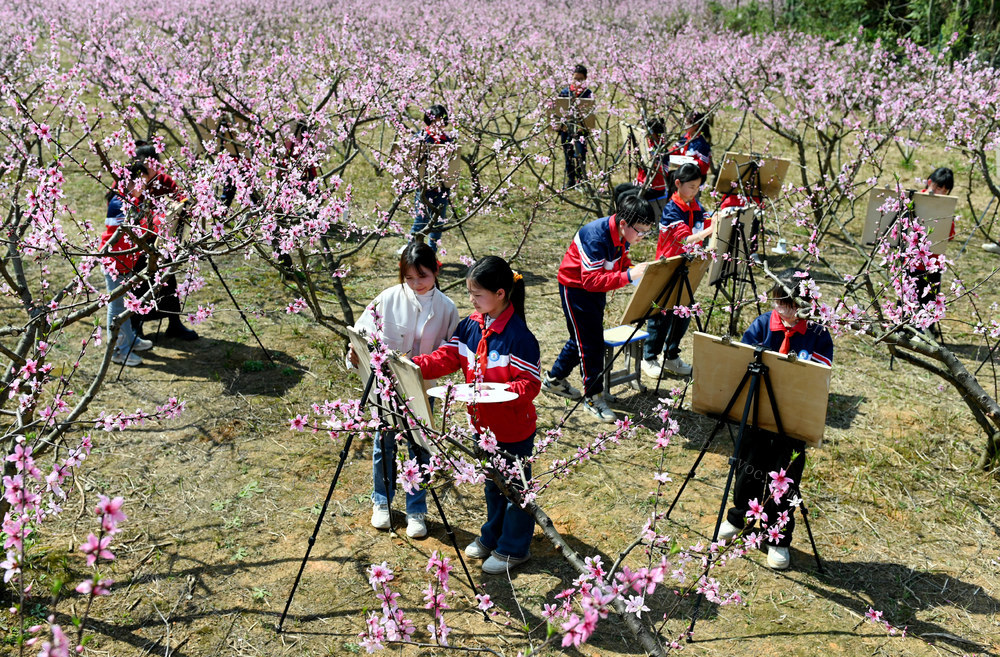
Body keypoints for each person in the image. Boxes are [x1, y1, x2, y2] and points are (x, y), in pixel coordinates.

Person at [412, 256, 541, 574]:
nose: (471, 299)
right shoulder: (470, 326)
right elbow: (447, 358)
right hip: (482, 428)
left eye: (477, 294)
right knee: (492, 485)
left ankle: (514, 548)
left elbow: (529, 384)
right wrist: (413, 365)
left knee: (515, 490)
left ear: (500, 293)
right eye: (470, 293)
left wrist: (496, 393)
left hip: (512, 430)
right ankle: (492, 536)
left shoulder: (519, 337)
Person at [718, 269, 833, 570]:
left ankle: (777, 537)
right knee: (747, 467)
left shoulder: (818, 334)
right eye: (779, 302)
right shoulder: (762, 324)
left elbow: (819, 377)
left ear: (806, 303)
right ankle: (740, 517)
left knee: (784, 477)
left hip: (793, 419)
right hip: (757, 413)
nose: (785, 310)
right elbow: (742, 360)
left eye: (792, 304)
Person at [348, 243, 459, 539]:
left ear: (436, 271)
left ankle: (416, 509)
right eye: (409, 278)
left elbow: (451, 350)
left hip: (422, 387)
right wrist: (355, 350)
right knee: (384, 441)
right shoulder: (388, 298)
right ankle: (382, 501)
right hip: (386, 385)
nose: (416, 284)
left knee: (419, 446)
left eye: (422, 276)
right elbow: (361, 332)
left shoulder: (447, 308)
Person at [542, 192, 656, 422]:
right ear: (623, 223)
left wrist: (633, 272)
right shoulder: (596, 236)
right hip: (576, 289)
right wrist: (629, 275)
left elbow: (619, 263)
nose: (643, 236)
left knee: (583, 338)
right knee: (591, 344)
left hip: (595, 290)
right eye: (640, 231)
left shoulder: (623, 235)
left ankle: (554, 380)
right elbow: (591, 281)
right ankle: (593, 397)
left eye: (647, 232)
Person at [642, 163, 713, 379]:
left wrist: (717, 219)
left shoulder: (695, 205)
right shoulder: (672, 209)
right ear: (678, 184)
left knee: (684, 313)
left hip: (687, 266)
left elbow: (705, 220)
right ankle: (649, 357)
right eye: (691, 187)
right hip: (668, 265)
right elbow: (684, 238)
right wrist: (708, 231)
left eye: (698, 187)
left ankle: (671, 355)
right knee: (661, 314)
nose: (695, 191)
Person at [129, 145, 199, 341]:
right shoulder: (131, 181)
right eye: (144, 165)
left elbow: (181, 199)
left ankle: (174, 323)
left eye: (152, 164)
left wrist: (184, 205)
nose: (148, 169)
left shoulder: (164, 180)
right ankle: (136, 326)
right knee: (140, 284)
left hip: (164, 241)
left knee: (168, 281)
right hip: (140, 241)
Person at [101, 163, 156, 367]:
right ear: (129, 181)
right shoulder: (119, 203)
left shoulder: (134, 201)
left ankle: (130, 340)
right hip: (115, 263)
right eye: (142, 182)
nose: (145, 186)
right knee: (116, 308)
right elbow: (134, 231)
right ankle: (118, 350)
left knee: (125, 304)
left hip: (127, 261)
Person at [402, 104, 454, 253]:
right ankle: (411, 254)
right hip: (424, 188)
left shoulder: (447, 140)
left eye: (441, 120)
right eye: (435, 120)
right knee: (421, 221)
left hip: (442, 187)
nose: (438, 124)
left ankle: (432, 255)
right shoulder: (420, 138)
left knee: (438, 223)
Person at [909, 167, 954, 332]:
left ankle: (926, 331)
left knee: (930, 299)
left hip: (933, 262)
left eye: (945, 190)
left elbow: (950, 234)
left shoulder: (946, 207)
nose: (940, 192)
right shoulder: (914, 199)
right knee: (908, 295)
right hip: (911, 261)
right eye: (937, 187)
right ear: (929, 182)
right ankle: (903, 327)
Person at [556, 64, 593, 189]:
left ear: (585, 79)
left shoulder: (587, 93)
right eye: (575, 79)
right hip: (566, 129)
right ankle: (570, 179)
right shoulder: (565, 92)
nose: (577, 82)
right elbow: (558, 110)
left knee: (581, 154)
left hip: (581, 130)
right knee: (568, 154)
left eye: (580, 79)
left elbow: (590, 114)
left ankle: (581, 179)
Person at [670, 111, 712, 178]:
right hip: (683, 172)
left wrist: (689, 162)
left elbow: (704, 166)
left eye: (687, 124)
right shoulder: (684, 137)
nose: (684, 126)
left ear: (696, 125)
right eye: (684, 123)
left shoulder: (701, 143)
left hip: (695, 176)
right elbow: (675, 150)